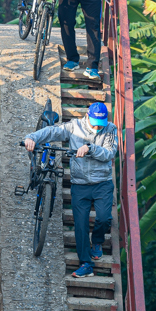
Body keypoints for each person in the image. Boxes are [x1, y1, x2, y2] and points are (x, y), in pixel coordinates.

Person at [23, 101, 118, 279]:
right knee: (80, 225)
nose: (98, 127)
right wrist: (32, 137)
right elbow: (53, 131)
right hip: (80, 183)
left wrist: (90, 148)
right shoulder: (75, 126)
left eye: (101, 124)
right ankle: (86, 264)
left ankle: (97, 241)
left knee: (104, 218)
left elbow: (109, 153)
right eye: (95, 122)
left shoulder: (110, 130)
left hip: (102, 183)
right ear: (87, 117)